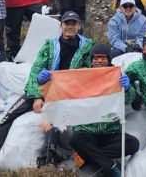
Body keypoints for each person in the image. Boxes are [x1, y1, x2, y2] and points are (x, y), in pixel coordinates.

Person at [0, 11, 96, 170]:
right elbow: (35, 71)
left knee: (52, 121)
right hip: (44, 88)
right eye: (67, 23)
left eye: (73, 24)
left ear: (79, 26)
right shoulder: (50, 45)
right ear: (61, 26)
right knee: (8, 117)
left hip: (66, 92)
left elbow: (91, 70)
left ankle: (46, 161)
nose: (70, 27)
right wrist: (36, 96)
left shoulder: (86, 46)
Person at [43, 44, 140, 176]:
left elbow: (128, 100)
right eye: (95, 58)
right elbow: (66, 87)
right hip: (87, 132)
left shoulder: (117, 75)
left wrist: (128, 89)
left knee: (133, 144)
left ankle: (89, 158)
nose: (99, 61)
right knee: (75, 140)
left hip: (111, 131)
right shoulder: (83, 76)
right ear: (91, 60)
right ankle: (110, 166)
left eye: (103, 58)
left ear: (109, 59)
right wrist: (48, 80)